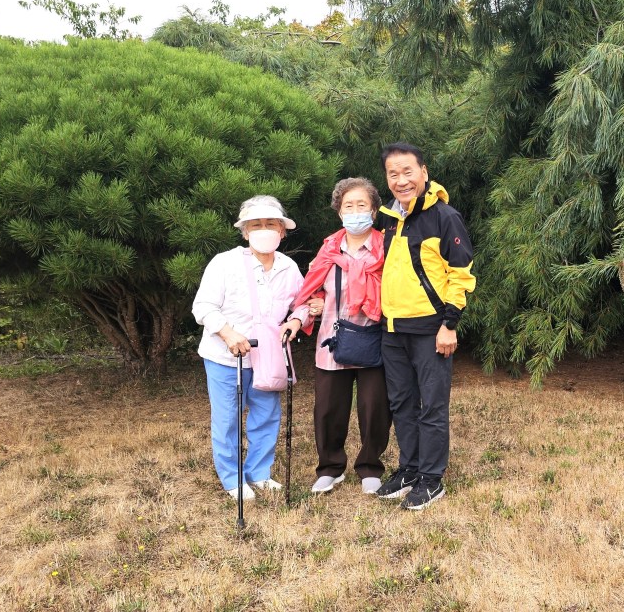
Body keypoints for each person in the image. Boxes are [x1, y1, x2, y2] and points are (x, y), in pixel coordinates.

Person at [373, 143, 475, 510]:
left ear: (424, 172)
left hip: (431, 330)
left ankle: (431, 479)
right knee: (402, 404)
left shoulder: (445, 217)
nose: (401, 180)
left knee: (431, 406)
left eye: (408, 172)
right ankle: (410, 469)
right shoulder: (388, 219)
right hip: (392, 329)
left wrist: (449, 324)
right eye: (393, 174)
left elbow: (460, 274)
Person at [282, 178, 391, 496]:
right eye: (348, 206)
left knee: (375, 408)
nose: (355, 211)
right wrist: (309, 308)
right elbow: (310, 291)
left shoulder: (388, 248)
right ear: (339, 212)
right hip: (333, 339)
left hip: (374, 339)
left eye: (362, 205)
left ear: (374, 210)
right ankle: (330, 468)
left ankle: (370, 466)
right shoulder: (328, 250)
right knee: (328, 408)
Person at [192, 195, 304, 501]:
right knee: (227, 419)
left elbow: (303, 303)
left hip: (268, 357)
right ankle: (232, 478)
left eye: (271, 224)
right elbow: (203, 307)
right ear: (245, 232)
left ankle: (259, 472)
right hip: (226, 357)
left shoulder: (288, 267)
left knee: (266, 416)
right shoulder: (224, 263)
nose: (264, 229)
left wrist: (296, 320)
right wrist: (228, 333)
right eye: (256, 225)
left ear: (282, 231)